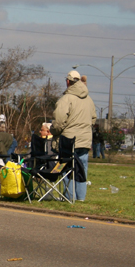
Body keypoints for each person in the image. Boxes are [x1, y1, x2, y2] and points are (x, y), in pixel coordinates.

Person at [50, 70, 96, 201]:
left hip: (68, 140)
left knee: (66, 167)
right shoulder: (89, 99)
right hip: (85, 140)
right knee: (82, 169)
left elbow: (58, 122)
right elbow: (93, 119)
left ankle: (69, 196)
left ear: (68, 81)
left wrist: (54, 131)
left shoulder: (66, 99)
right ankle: (81, 197)